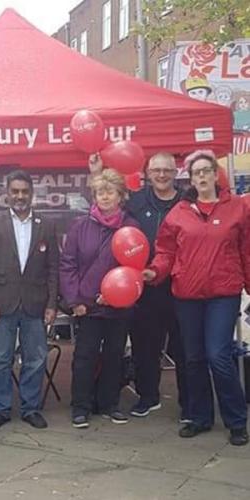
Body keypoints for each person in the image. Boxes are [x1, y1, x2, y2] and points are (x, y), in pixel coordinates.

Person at [144, 150, 250, 446]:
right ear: (190, 179)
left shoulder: (238, 209)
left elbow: (246, 250)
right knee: (192, 358)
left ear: (216, 175)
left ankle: (236, 420)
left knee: (218, 355)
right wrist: (155, 271)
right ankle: (199, 416)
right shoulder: (179, 212)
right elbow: (166, 252)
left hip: (223, 294)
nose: (202, 177)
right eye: (196, 173)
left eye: (206, 171)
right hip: (187, 295)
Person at [90, 153, 189, 421]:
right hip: (143, 285)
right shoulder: (136, 200)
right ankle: (148, 397)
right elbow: (105, 204)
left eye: (167, 170)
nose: (161, 175)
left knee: (183, 348)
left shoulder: (186, 201)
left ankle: (189, 404)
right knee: (146, 346)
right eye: (156, 170)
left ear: (175, 172)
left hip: (181, 285)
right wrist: (98, 172)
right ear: (147, 172)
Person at [0, 170, 59, 431]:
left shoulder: (46, 225)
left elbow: (53, 268)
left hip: (35, 304)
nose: (20, 196)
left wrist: (51, 304)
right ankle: (0, 409)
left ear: (32, 194)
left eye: (25, 191)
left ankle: (30, 408)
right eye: (15, 191)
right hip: (1, 305)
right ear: (7, 194)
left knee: (35, 359)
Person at [60, 168, 139, 428]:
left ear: (121, 196)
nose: (104, 196)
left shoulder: (131, 228)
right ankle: (80, 406)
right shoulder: (79, 226)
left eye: (110, 191)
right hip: (88, 306)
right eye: (99, 192)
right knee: (85, 356)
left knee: (115, 355)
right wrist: (75, 300)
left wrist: (119, 292)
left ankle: (110, 404)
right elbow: (68, 264)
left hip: (118, 305)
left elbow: (136, 264)